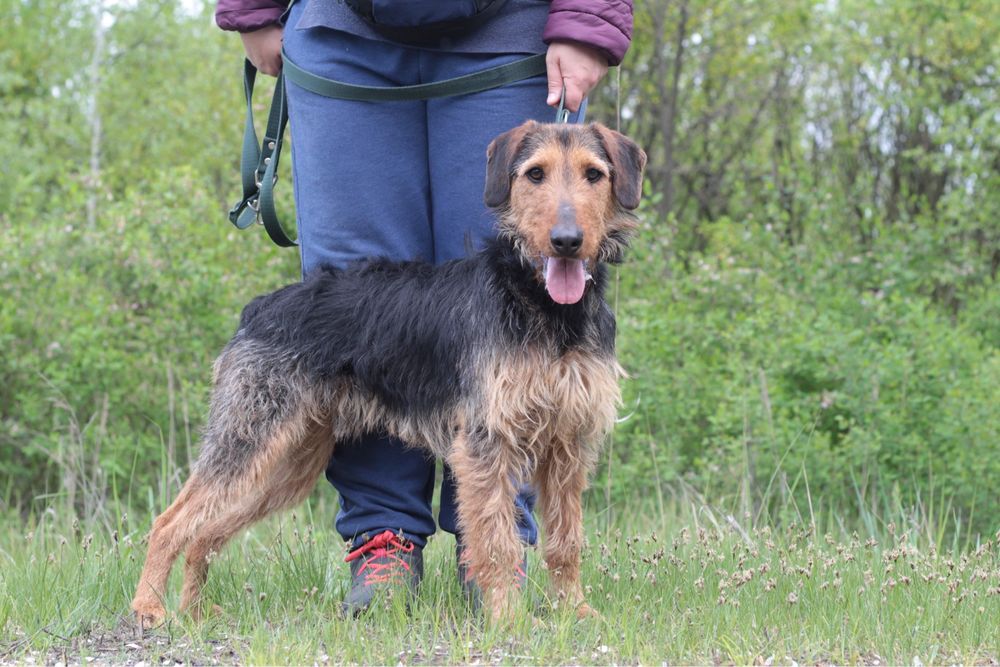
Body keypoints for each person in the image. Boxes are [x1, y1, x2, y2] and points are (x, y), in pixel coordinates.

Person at [214, 0, 633, 614]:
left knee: (518, 275)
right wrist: (253, 9)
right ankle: (381, 538)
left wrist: (589, 19)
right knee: (362, 306)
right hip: (343, 29)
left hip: (511, 27)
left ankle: (492, 552)